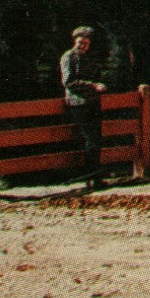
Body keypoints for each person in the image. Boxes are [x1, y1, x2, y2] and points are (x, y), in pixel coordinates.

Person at [60, 25, 107, 186]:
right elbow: (69, 82)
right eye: (80, 42)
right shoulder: (69, 57)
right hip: (78, 102)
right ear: (75, 41)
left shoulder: (88, 57)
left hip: (92, 101)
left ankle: (95, 176)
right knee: (90, 139)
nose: (82, 46)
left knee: (96, 139)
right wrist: (93, 86)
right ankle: (91, 177)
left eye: (86, 43)